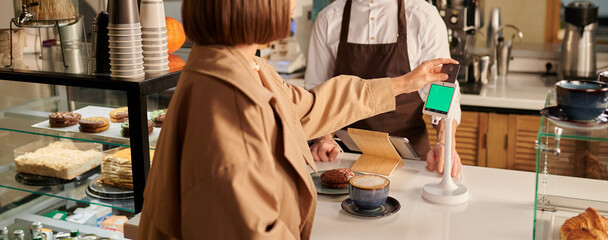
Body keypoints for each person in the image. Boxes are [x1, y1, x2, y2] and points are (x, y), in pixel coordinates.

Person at [136, 0, 457, 239]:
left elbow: (310, 106)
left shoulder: (246, 67)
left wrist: (403, 83)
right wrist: (327, 137)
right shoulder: (231, 103)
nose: (294, 3)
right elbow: (251, 228)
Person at [305, 0, 463, 176]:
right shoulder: (329, 18)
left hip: (409, 160)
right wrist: (324, 138)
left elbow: (440, 88)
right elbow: (317, 91)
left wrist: (444, 142)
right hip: (346, 159)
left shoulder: (423, 15)